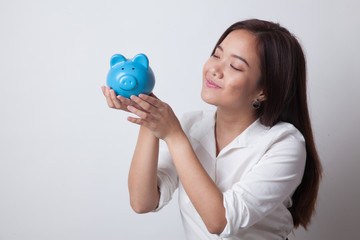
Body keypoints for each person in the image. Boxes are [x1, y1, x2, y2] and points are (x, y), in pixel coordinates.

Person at [101, 19, 322, 240]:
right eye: (217, 55)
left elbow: (221, 221)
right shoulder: (190, 125)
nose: (214, 69)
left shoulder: (285, 143)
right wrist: (147, 113)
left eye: (235, 66)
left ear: (263, 91)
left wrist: (174, 136)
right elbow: (142, 202)